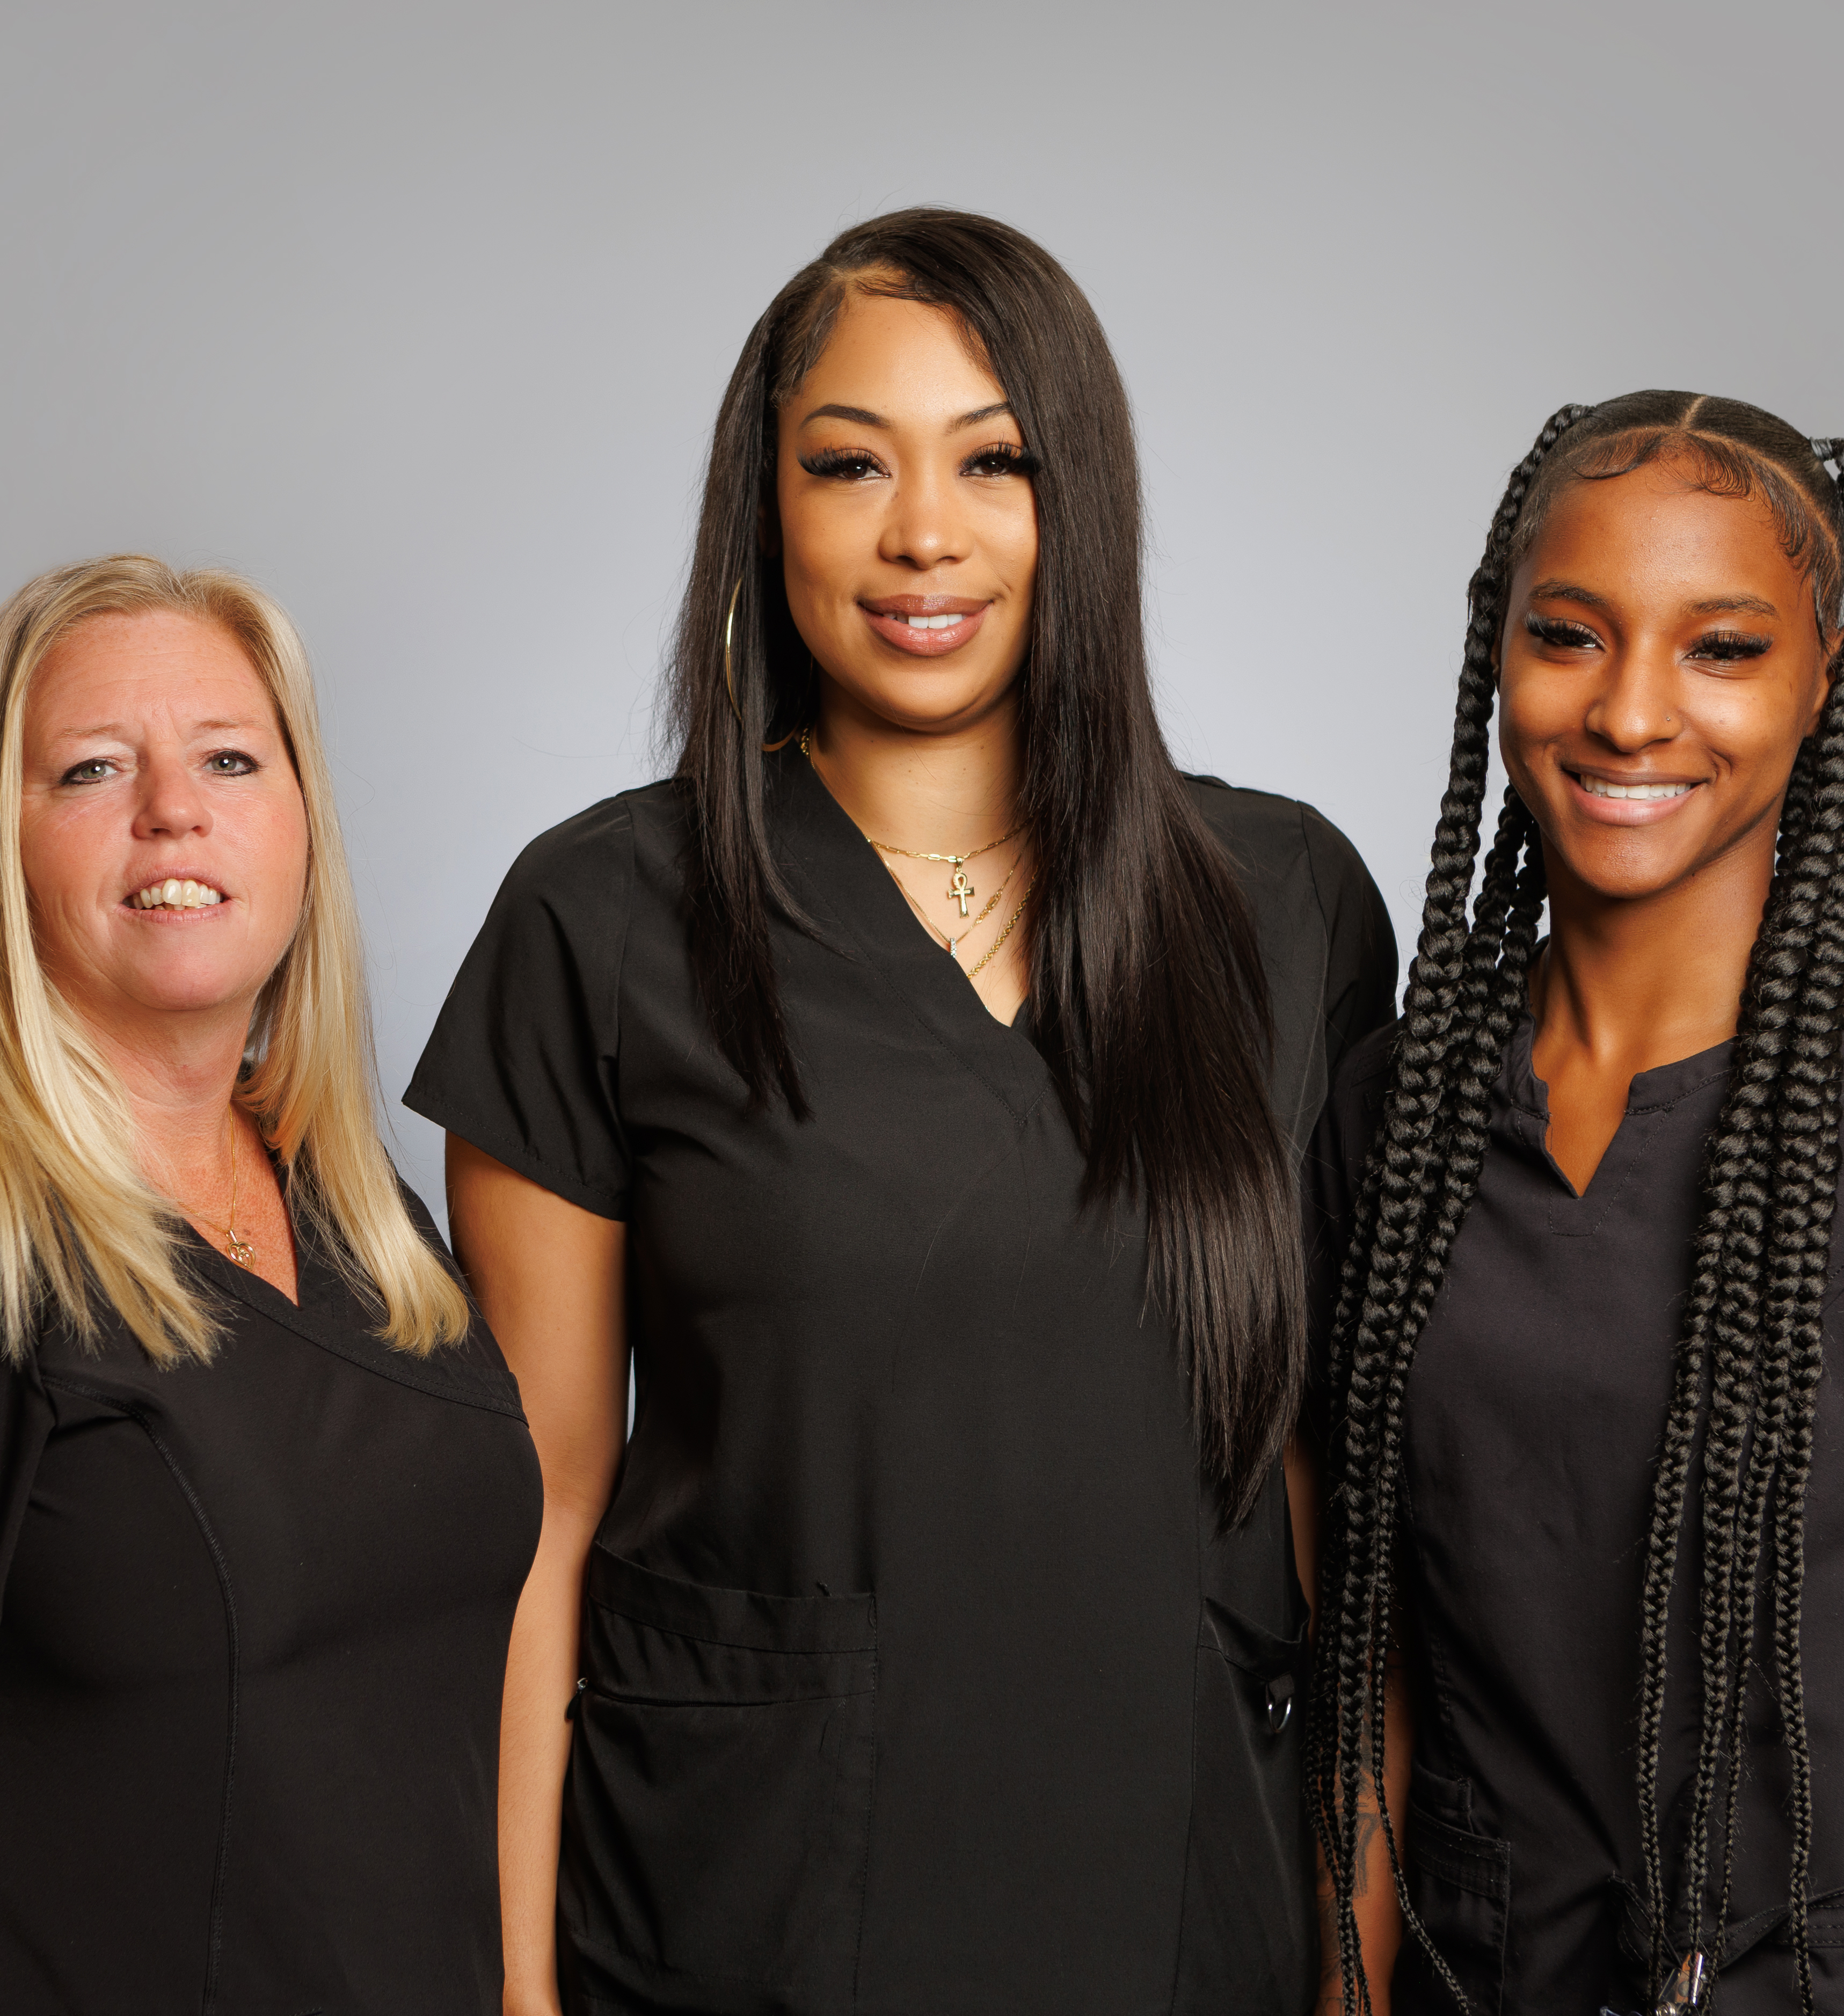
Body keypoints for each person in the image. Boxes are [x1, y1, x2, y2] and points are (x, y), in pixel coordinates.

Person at [409, 209, 1396, 2015]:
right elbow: (532, 1522)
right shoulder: (602, 918)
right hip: (746, 1908)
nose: (920, 532)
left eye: (993, 461)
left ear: (1074, 504)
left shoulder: (1286, 905)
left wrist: (1358, 1954)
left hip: (1182, 1896)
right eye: (847, 462)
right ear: (760, 505)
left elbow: (1338, 1488)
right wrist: (517, 1998)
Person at [1304, 395, 1844, 2016]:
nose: (1627, 713)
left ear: (1823, 676)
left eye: (1720, 649)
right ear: (1499, 653)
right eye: (1568, 634)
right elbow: (1369, 1698)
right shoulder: (1386, 1122)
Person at [0, 557, 538, 2014]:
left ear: (299, 821)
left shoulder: (349, 1209)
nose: (172, 810)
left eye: (228, 757)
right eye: (89, 769)